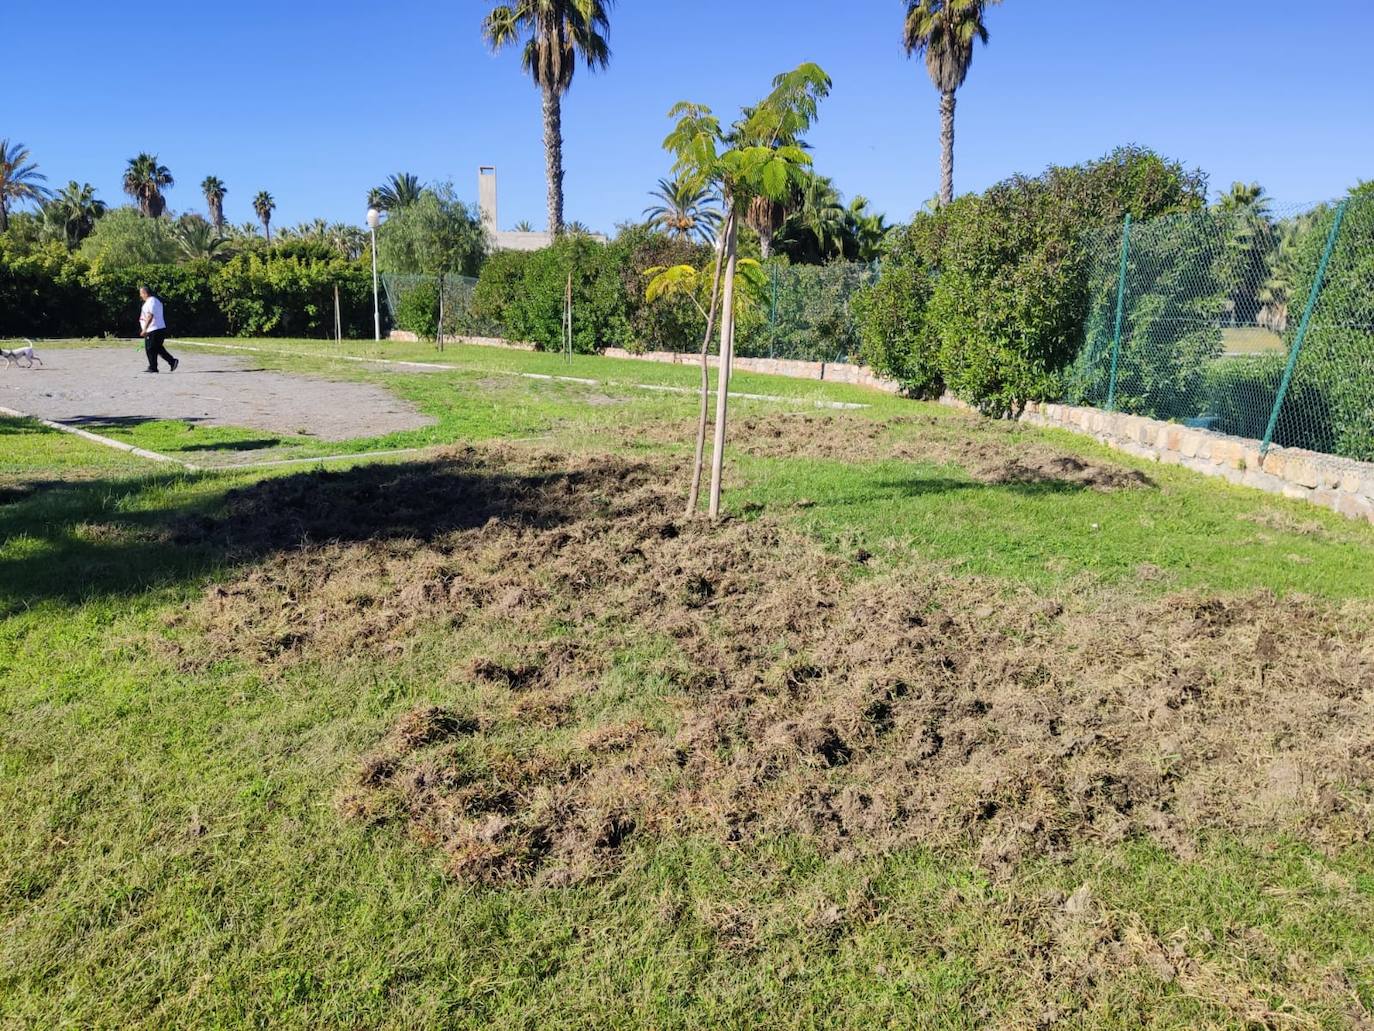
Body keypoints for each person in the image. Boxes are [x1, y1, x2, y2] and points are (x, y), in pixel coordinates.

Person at [138, 286, 178, 373]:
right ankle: (172, 361)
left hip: (154, 329)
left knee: (150, 348)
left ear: (145, 293)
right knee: (157, 348)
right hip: (156, 328)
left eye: (141, 293)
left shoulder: (151, 301)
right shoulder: (153, 301)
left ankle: (153, 367)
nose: (140, 296)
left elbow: (150, 316)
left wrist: (145, 329)